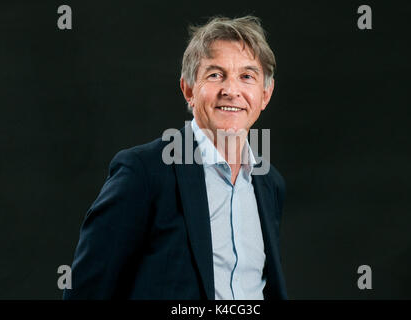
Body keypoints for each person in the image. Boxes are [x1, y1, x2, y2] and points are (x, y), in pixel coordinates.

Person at [64, 15, 287, 300]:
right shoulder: (143, 173)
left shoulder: (269, 184)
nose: (231, 91)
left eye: (247, 77)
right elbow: (86, 291)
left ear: (265, 94)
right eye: (215, 74)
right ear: (189, 90)